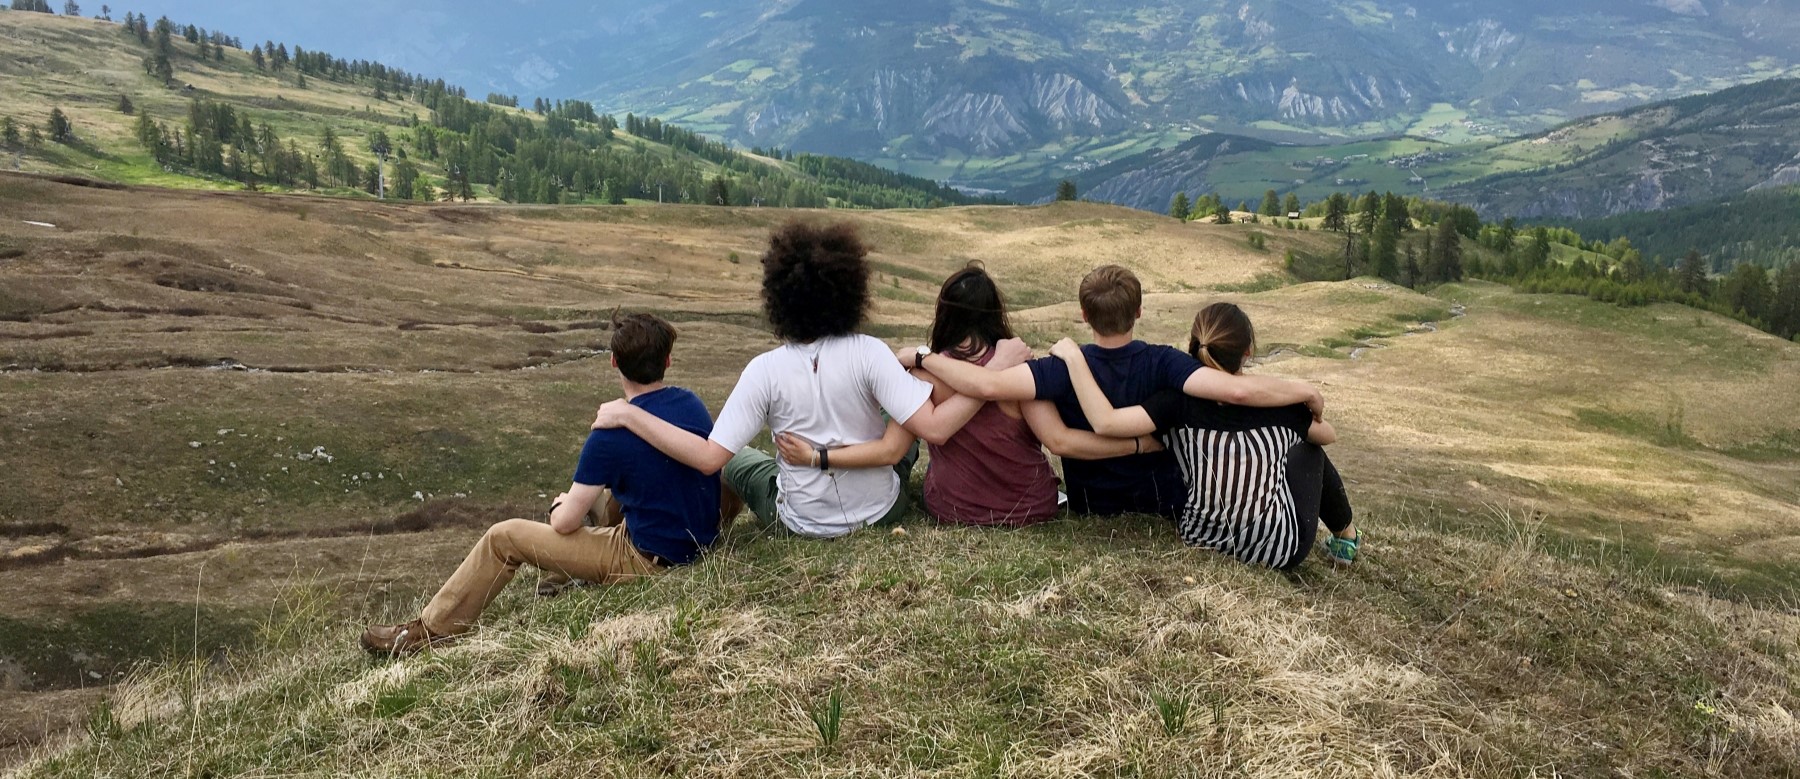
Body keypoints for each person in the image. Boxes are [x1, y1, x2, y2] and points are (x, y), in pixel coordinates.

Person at [592, 222, 1004, 538]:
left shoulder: (764, 370)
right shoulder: (871, 351)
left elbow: (707, 459)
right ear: (849, 292)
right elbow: (930, 429)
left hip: (800, 521)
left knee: (736, 455)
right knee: (903, 433)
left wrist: (630, 416)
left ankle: (701, 529)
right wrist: (989, 377)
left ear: (778, 299)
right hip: (880, 511)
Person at [361, 313, 736, 656]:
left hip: (647, 561)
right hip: (698, 540)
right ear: (667, 361)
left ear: (614, 363)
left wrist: (560, 506)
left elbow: (564, 525)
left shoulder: (608, 437)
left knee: (503, 537)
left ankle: (429, 631)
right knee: (607, 494)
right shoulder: (690, 403)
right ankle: (564, 577)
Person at [900, 264, 1323, 519]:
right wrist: (1301, 390)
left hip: (1090, 501)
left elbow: (989, 386)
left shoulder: (1058, 368)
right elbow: (1236, 392)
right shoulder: (1165, 364)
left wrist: (921, 358)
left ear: (1084, 315)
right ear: (1139, 312)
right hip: (1162, 500)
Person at [772, 264, 1160, 526]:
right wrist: (1139, 444)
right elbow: (1058, 441)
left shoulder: (925, 371)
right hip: (1031, 507)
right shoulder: (1019, 368)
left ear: (944, 314)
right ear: (995, 312)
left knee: (903, 444)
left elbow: (900, 439)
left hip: (951, 508)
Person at [1049, 302, 1361, 569]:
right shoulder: (1282, 407)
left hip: (1201, 537)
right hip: (1277, 551)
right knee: (1311, 450)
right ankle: (1346, 537)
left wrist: (1076, 360)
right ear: (1247, 352)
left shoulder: (1173, 403)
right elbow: (1327, 435)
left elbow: (1111, 422)